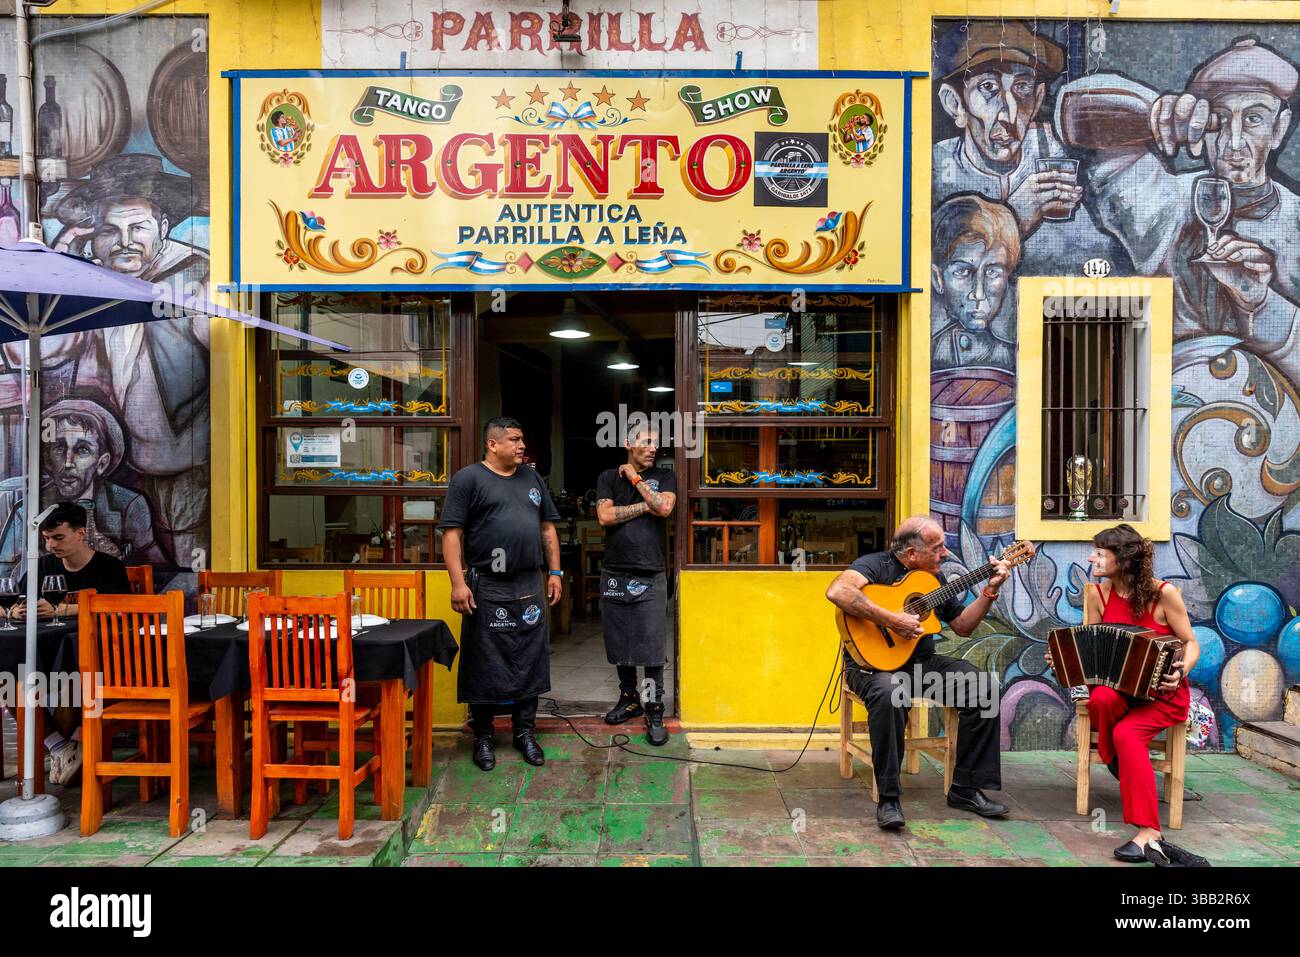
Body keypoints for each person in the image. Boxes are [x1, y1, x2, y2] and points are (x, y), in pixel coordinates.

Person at [1060, 39, 1300, 383]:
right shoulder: (1168, 199)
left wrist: (1259, 303)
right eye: (1219, 122)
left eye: (1253, 119)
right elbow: (1072, 111)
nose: (1233, 142)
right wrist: (1154, 113)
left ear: (1278, 129)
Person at [825, 516, 1011, 830]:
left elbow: (964, 627)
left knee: (982, 687)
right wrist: (891, 620)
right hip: (870, 667)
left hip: (921, 667)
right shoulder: (873, 565)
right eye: (938, 548)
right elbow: (837, 592)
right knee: (890, 693)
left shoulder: (931, 580)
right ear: (912, 553)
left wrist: (990, 591)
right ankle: (889, 798)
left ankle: (965, 788)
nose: (946, 553)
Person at [1048, 524, 1206, 867]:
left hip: (1162, 696)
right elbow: (1089, 650)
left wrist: (1182, 670)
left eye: (1101, 553)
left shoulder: (1164, 594)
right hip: (1120, 693)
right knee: (1101, 698)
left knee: (1125, 733)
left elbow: (1191, 642)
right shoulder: (1097, 594)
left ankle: (1149, 832)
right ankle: (1118, 758)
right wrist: (1064, 656)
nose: (1092, 558)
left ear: (1123, 559)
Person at [932, 21, 1124, 276]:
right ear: (955, 104)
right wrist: (1015, 216)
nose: (1010, 114)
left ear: (1037, 100)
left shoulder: (1062, 152)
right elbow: (940, 273)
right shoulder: (933, 168)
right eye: (989, 87)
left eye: (1022, 87)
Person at [439, 417, 563, 772]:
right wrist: (457, 582)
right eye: (514, 440)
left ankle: (525, 733)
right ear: (492, 445)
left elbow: (547, 528)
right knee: (484, 660)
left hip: (528, 583)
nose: (522, 446)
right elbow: (451, 534)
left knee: (530, 655)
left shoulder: (531, 477)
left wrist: (554, 572)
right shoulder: (469, 479)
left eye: (522, 439)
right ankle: (483, 736)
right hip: (487, 585)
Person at [12, 501, 131, 785]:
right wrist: (14, 610)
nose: (52, 545)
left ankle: (71, 745)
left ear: (81, 533)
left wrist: (63, 610)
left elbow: (121, 608)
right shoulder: (42, 566)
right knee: (8, 682)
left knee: (71, 684)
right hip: (43, 653)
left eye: (58, 537)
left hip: (97, 659)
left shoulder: (108, 567)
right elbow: (12, 600)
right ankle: (62, 748)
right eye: (47, 539)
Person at [595, 427, 677, 745]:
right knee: (621, 641)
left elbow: (666, 508)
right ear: (628, 444)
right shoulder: (607, 477)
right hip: (615, 570)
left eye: (655, 443)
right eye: (645, 442)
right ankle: (629, 699)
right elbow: (604, 516)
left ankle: (654, 707)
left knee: (651, 644)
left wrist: (635, 479)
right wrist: (647, 506)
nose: (653, 448)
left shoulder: (664, 477)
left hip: (651, 570)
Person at [931, 194, 1019, 371]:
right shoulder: (931, 349)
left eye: (993, 272)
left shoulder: (1015, 352)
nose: (978, 294)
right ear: (937, 279)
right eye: (962, 272)